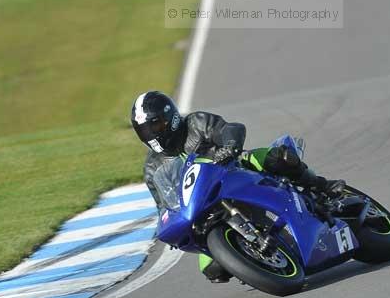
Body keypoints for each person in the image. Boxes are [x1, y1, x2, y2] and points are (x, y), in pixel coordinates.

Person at [131, 90, 346, 284]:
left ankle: (322, 187)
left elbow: (229, 129)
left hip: (234, 170)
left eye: (156, 125)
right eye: (144, 130)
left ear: (172, 118)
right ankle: (253, 259)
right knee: (213, 270)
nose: (151, 134)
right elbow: (164, 205)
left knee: (279, 158)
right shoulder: (152, 168)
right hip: (203, 207)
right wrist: (168, 225)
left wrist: (230, 146)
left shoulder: (196, 123)